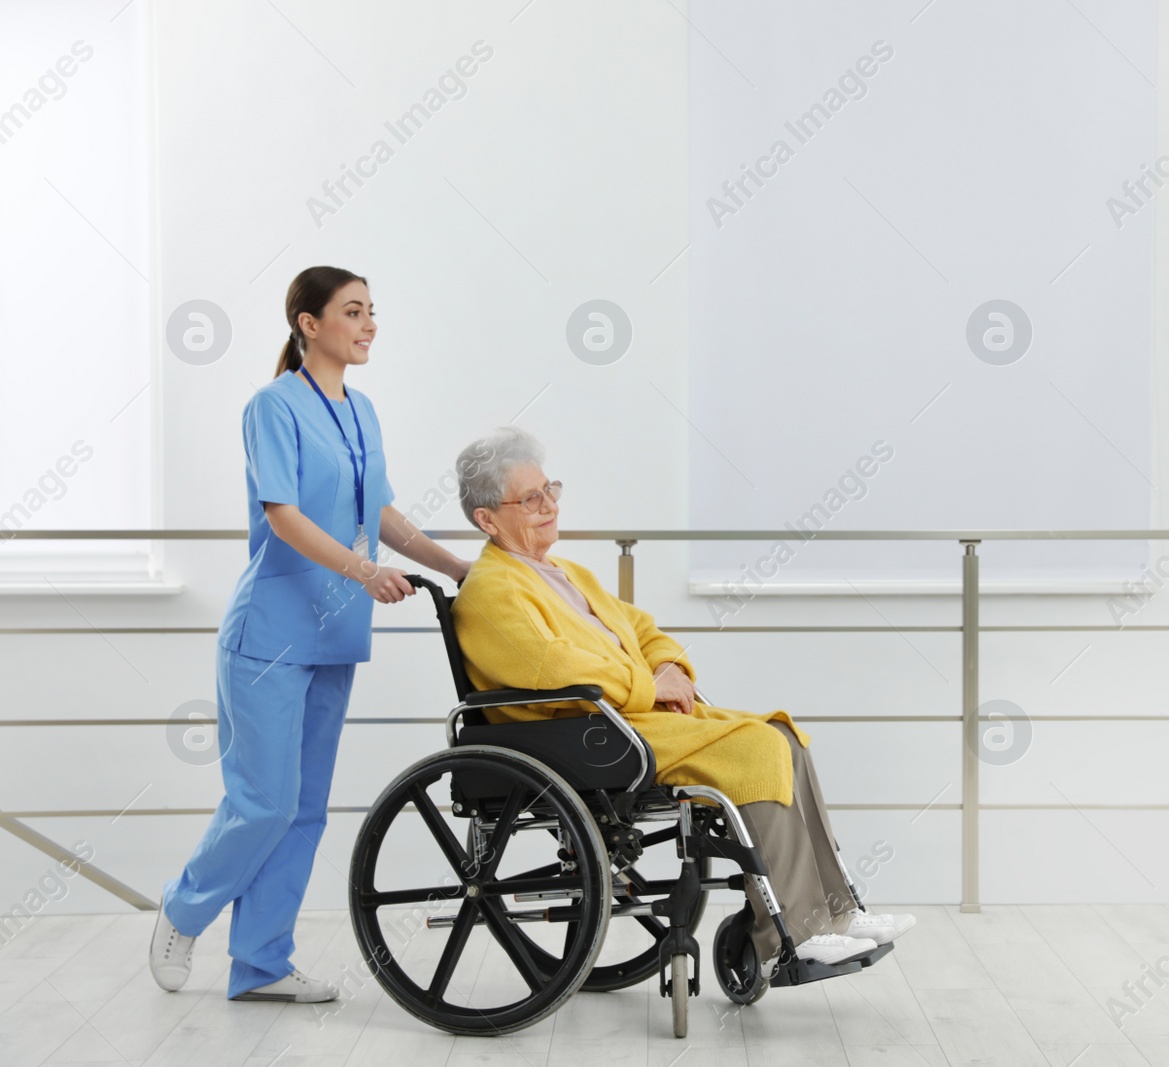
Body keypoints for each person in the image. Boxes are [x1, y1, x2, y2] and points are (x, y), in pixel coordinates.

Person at [448, 425, 915, 972]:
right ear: (487, 519)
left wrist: (668, 667)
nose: (549, 504)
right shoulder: (490, 591)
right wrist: (649, 685)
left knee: (783, 735)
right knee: (758, 749)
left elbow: (641, 628)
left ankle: (835, 911)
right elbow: (552, 667)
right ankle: (793, 933)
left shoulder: (563, 573)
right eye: (530, 498)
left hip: (623, 720)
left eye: (550, 489)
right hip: (582, 733)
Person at [149, 267, 473, 1003]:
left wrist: (458, 566)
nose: (368, 324)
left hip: (333, 637)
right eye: (352, 311)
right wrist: (364, 572)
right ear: (308, 322)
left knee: (302, 808)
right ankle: (183, 907)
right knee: (262, 801)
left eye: (371, 311)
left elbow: (380, 509)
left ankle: (261, 962)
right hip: (269, 635)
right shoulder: (273, 405)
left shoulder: (362, 411)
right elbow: (284, 516)